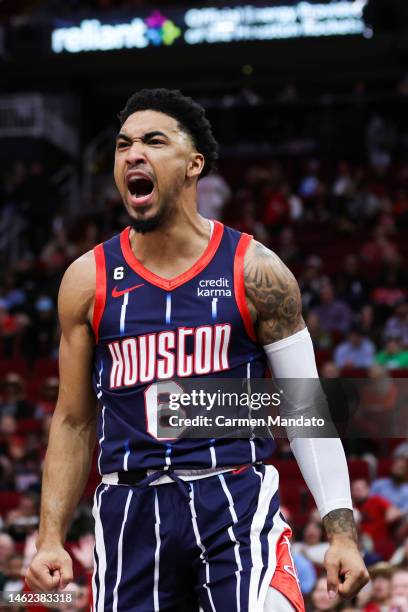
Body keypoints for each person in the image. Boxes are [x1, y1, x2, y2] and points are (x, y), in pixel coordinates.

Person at [27, 89, 368, 611]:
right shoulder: (86, 280)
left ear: (194, 165)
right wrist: (50, 534)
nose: (132, 154)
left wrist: (340, 529)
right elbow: (73, 420)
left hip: (232, 501)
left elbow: (306, 410)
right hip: (129, 510)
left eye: (152, 141)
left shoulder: (257, 270)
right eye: (122, 145)